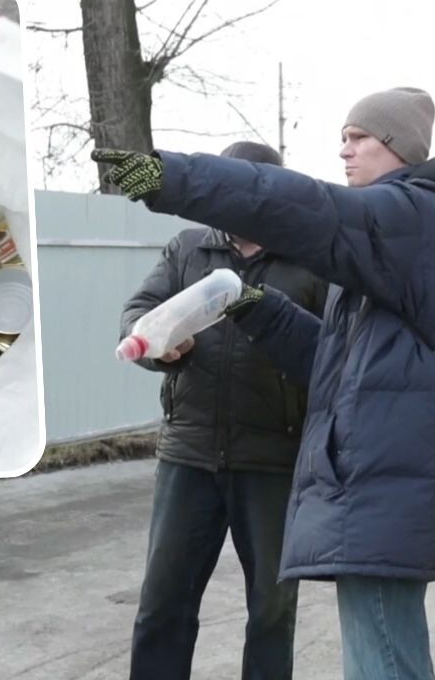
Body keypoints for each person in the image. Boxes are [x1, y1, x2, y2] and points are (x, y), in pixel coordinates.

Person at [94, 87, 435, 680]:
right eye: (343, 136)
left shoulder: (413, 217)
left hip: (370, 475)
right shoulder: (391, 242)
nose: (344, 150)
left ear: (398, 145)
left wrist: (173, 176)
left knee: (377, 655)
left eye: (360, 137)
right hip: (334, 471)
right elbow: (332, 361)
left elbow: (311, 208)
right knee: (374, 653)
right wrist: (260, 308)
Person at [122, 140, 328, 680]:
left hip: (274, 462)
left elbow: (333, 354)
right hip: (188, 455)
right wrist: (156, 344)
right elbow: (139, 313)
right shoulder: (189, 249)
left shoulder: (311, 259)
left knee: (271, 612)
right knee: (163, 605)